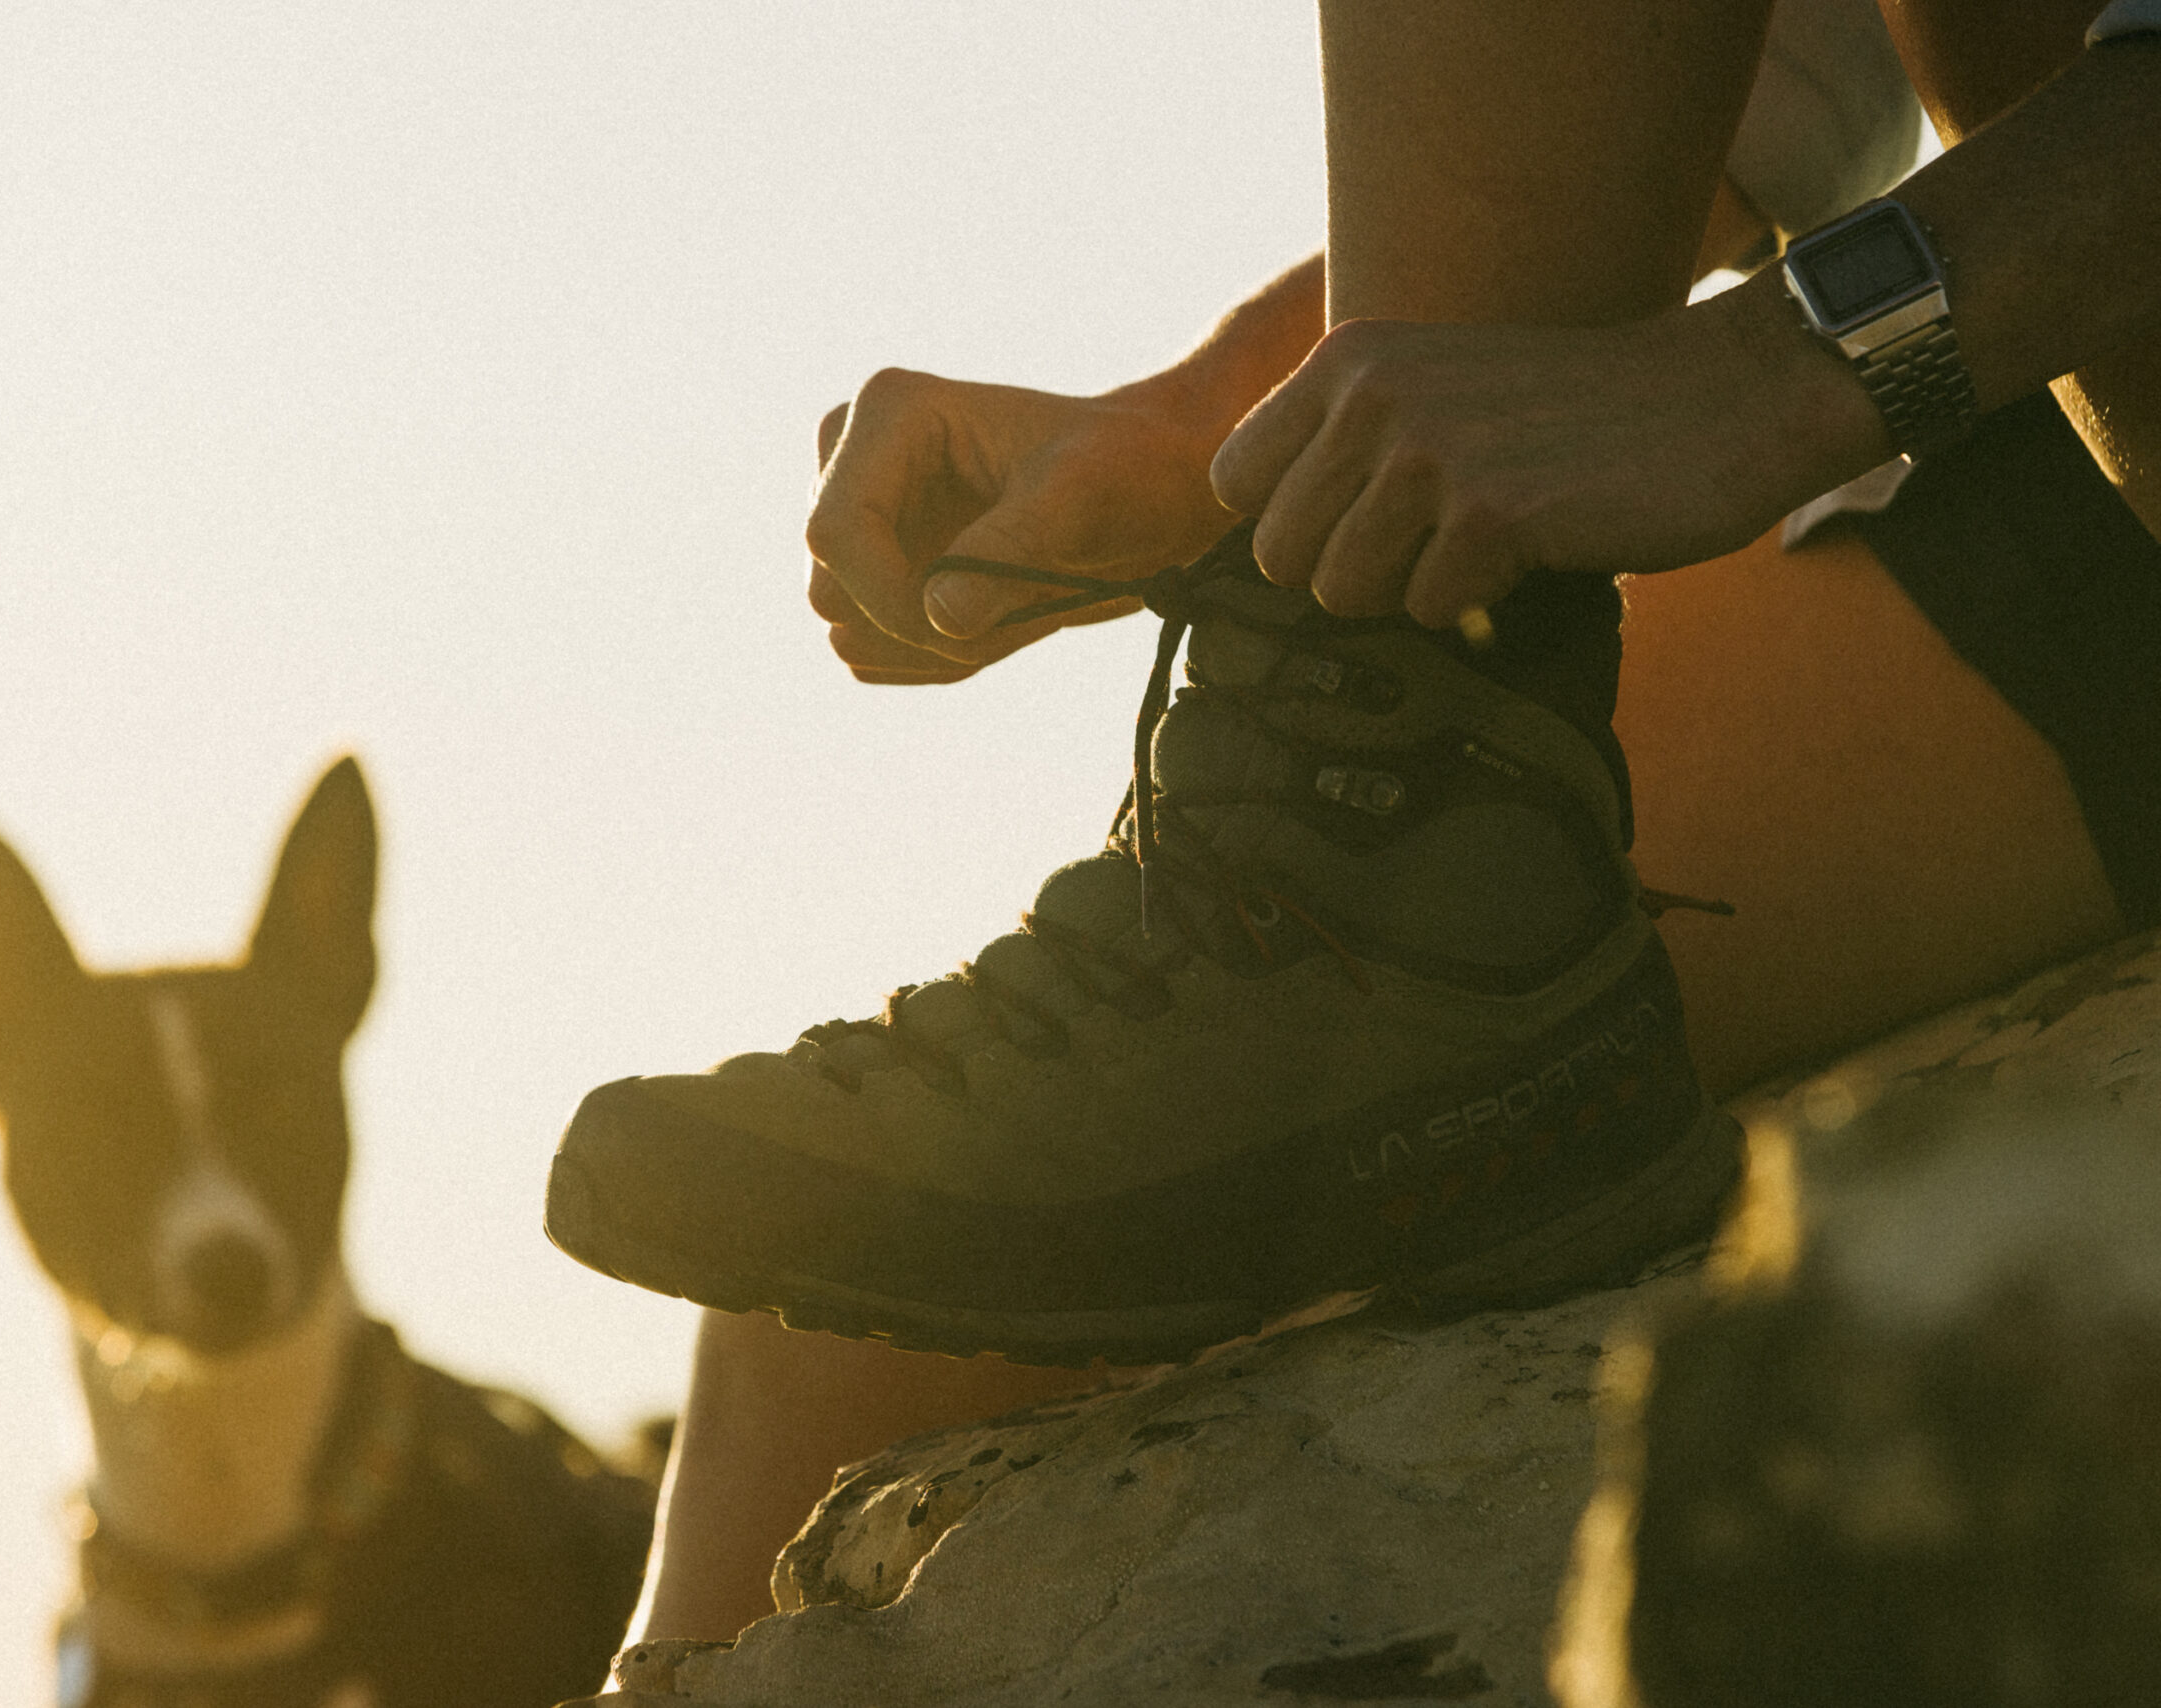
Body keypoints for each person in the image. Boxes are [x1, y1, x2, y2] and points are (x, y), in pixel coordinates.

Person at [564, 0, 2161, 1649]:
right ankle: (1388, 867)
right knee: (850, 1296)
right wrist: (1219, 427)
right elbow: (1761, 74)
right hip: (2048, 446)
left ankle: (1411, 922)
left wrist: (1785, 367)